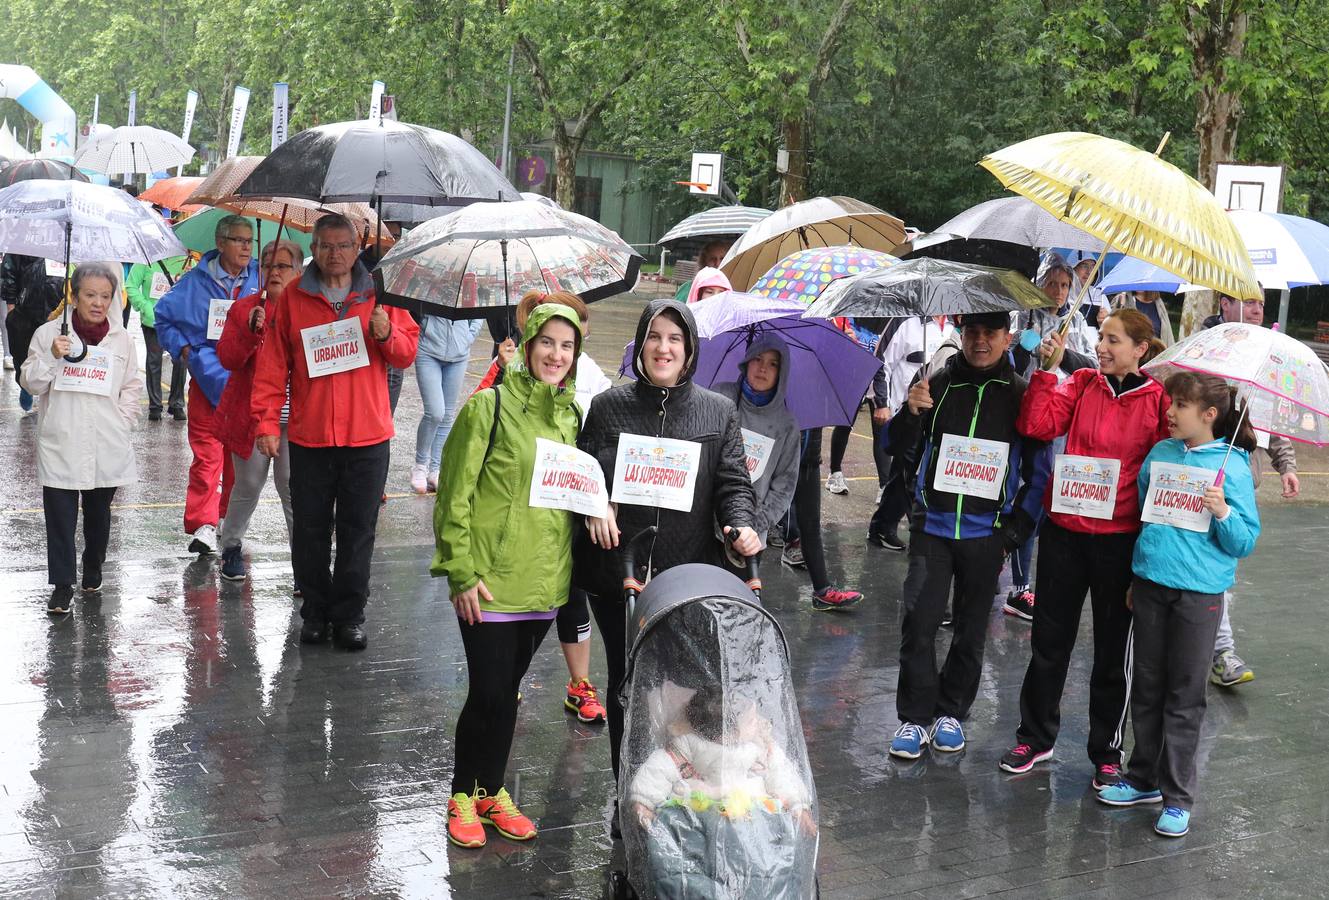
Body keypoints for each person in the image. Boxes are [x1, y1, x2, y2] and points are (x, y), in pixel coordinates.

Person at [575, 299, 759, 786]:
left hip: (686, 577)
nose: (663, 347)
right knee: (628, 684)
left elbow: (733, 484)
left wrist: (740, 524)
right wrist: (597, 502)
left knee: (684, 687)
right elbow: (583, 473)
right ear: (641, 343)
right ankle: (629, 791)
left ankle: (677, 785)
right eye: (655, 336)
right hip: (619, 574)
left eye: (675, 338)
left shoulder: (717, 412)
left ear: (690, 348)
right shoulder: (608, 407)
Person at [432, 302, 584, 849]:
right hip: (489, 582)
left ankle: (492, 792)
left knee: (509, 692)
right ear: (528, 342)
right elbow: (454, 495)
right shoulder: (488, 408)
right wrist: (461, 572)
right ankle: (461, 794)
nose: (556, 355)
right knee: (489, 690)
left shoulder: (572, 416)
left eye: (567, 347)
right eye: (548, 342)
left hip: (545, 584)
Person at [1000, 309, 1169, 789]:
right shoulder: (1081, 383)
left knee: (1113, 651)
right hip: (1064, 533)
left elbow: (1161, 478)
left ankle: (1107, 752)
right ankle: (1035, 736)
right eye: (1101, 337)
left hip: (1119, 540)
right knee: (1049, 641)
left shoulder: (1157, 399)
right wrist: (1046, 372)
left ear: (1140, 349)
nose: (1102, 346)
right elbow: (1036, 427)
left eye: (1113, 340)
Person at [1097, 372, 1259, 838]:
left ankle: (1178, 797)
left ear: (1209, 415)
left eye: (1180, 405)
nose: (1169, 412)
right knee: (1146, 687)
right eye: (1171, 402)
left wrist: (1223, 511)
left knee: (1184, 696)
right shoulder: (1160, 454)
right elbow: (1148, 514)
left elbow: (1244, 541)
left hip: (1199, 595)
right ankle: (1142, 778)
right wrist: (1137, 575)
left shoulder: (1234, 467)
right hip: (1150, 587)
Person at [251, 213, 420, 650]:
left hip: (368, 437)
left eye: (343, 245)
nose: (335, 254)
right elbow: (272, 366)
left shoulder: (382, 294)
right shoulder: (292, 298)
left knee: (358, 530)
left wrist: (386, 334)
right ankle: (315, 612)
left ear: (357, 246)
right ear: (314, 247)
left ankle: (349, 615)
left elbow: (405, 354)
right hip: (310, 438)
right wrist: (267, 422)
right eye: (326, 246)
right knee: (309, 529)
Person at [885, 312, 1049, 759]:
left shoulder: (1020, 394)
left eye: (990, 334)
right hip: (932, 529)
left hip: (987, 534)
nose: (980, 342)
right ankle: (914, 719)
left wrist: (1015, 531)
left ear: (1007, 337)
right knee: (919, 623)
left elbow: (1039, 473)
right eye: (973, 332)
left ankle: (951, 712)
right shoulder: (934, 384)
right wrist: (910, 413)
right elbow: (897, 450)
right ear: (962, 334)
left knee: (971, 628)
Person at [474, 290, 613, 723]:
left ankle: (579, 684)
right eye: (549, 339)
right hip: (518, 516)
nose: (558, 351)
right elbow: (478, 422)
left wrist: (600, 500)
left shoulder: (589, 375)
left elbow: (607, 430)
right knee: (519, 614)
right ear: (533, 334)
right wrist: (499, 365)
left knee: (572, 598)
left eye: (572, 337)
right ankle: (508, 680)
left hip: (566, 512)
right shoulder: (508, 372)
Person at [20, 263, 143, 614]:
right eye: (90, 295)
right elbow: (30, 382)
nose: (98, 303)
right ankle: (61, 584)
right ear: (74, 295)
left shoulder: (121, 340)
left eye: (105, 296)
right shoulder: (48, 335)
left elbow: (131, 386)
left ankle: (93, 563)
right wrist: (52, 357)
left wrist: (122, 421)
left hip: (107, 439)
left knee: (98, 513)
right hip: (62, 437)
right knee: (59, 516)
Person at [1200, 293, 1298, 687]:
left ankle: (1220, 652)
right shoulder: (1206, 350)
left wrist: (1286, 465)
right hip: (1202, 476)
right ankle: (1213, 649)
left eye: (1260, 303)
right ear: (1224, 304)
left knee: (1223, 566)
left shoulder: (1266, 358)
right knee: (1207, 568)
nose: (1257, 309)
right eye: (1247, 302)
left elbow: (1270, 419)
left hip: (1238, 484)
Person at [1002, 253, 1100, 621]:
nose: (1059, 292)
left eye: (1064, 285)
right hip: (1029, 421)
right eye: (1052, 284)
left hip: (1063, 422)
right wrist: (1031, 348)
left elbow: (1091, 367)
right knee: (1030, 494)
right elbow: (1011, 361)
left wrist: (1063, 354)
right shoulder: (1022, 317)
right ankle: (1020, 585)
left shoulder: (1076, 323)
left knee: (1051, 503)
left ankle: (1043, 581)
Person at [155, 214, 260, 555]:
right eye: (238, 240)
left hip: (246, 383)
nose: (246, 247)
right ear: (220, 243)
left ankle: (228, 519)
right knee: (206, 455)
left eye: (249, 241)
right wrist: (185, 349)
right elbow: (164, 316)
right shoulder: (194, 281)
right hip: (205, 381)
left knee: (238, 461)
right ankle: (203, 523)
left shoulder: (261, 278)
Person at [213, 239, 303, 584]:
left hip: (295, 419)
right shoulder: (245, 309)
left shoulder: (307, 310)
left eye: (282, 265)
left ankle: (303, 563)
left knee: (293, 490)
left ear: (298, 271)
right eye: (267, 265)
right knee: (248, 485)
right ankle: (232, 545)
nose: (274, 272)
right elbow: (228, 359)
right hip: (252, 416)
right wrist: (251, 332)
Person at [711, 336, 801, 570]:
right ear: (746, 362)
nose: (763, 368)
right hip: (703, 527)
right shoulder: (720, 397)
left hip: (749, 539)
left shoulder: (786, 425)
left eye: (773, 364)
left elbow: (784, 486)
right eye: (758, 358)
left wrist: (753, 524)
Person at [410, 311, 483, 494]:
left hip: (459, 355)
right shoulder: (429, 282)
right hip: (428, 351)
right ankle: (420, 465)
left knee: (447, 415)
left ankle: (436, 468)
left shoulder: (469, 283)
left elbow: (478, 312)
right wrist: (425, 328)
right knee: (435, 412)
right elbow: (414, 310)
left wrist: (467, 336)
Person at [125, 256, 191, 421]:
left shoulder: (188, 260)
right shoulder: (146, 260)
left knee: (181, 361)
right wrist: (145, 306)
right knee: (154, 361)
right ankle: (155, 406)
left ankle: (177, 403)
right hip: (152, 321)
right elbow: (131, 286)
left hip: (178, 321)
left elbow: (197, 288)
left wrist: (190, 277)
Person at [2, 253, 65, 414]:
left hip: (56, 310)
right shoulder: (24, 238)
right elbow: (9, 270)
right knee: (22, 354)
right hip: (24, 311)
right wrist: (11, 306)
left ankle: (50, 397)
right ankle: (25, 385)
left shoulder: (66, 239)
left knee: (54, 355)